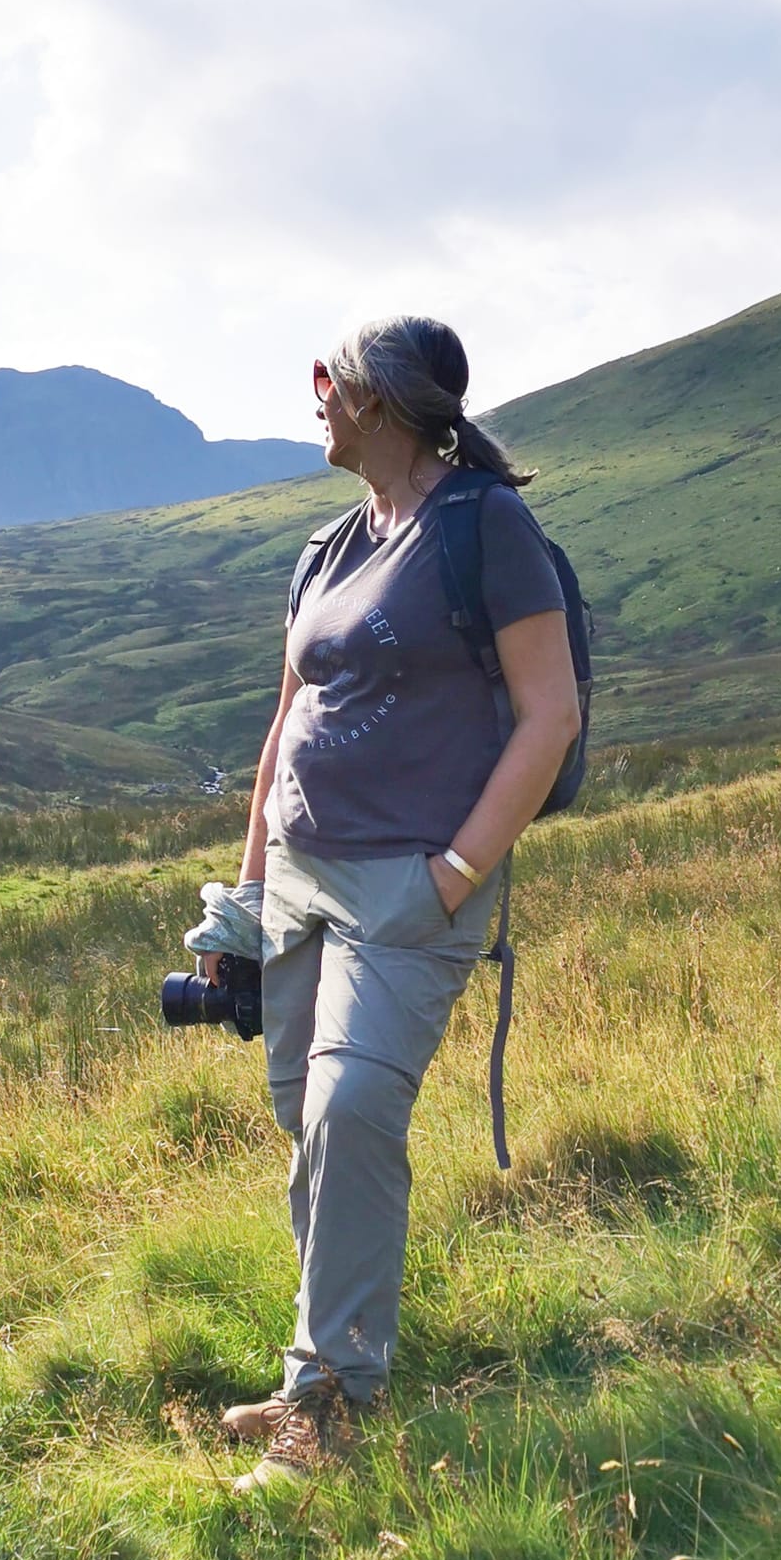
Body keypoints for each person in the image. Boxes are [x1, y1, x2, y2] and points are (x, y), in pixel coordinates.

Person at [211, 315, 581, 1492]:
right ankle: (308, 1374)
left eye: (327, 378)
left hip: (412, 880)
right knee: (306, 1119)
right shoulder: (327, 546)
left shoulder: (485, 529)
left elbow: (549, 715)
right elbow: (284, 726)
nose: (311, 395)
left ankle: (328, 1405)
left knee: (355, 1106)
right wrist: (247, 888)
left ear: (374, 401)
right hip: (299, 875)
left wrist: (457, 873)